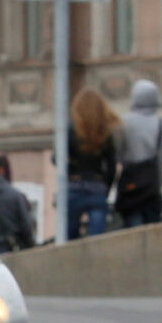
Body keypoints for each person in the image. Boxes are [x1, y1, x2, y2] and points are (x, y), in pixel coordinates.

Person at [114, 79, 162, 228]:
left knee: (132, 233)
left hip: (129, 188)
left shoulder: (122, 124)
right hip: (152, 189)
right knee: (152, 233)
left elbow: (115, 154)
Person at [64, 86, 118, 239]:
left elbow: (58, 159)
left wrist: (70, 170)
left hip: (74, 186)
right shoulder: (104, 132)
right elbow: (112, 166)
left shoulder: (71, 131)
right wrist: (105, 188)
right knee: (97, 239)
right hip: (96, 187)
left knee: (70, 239)